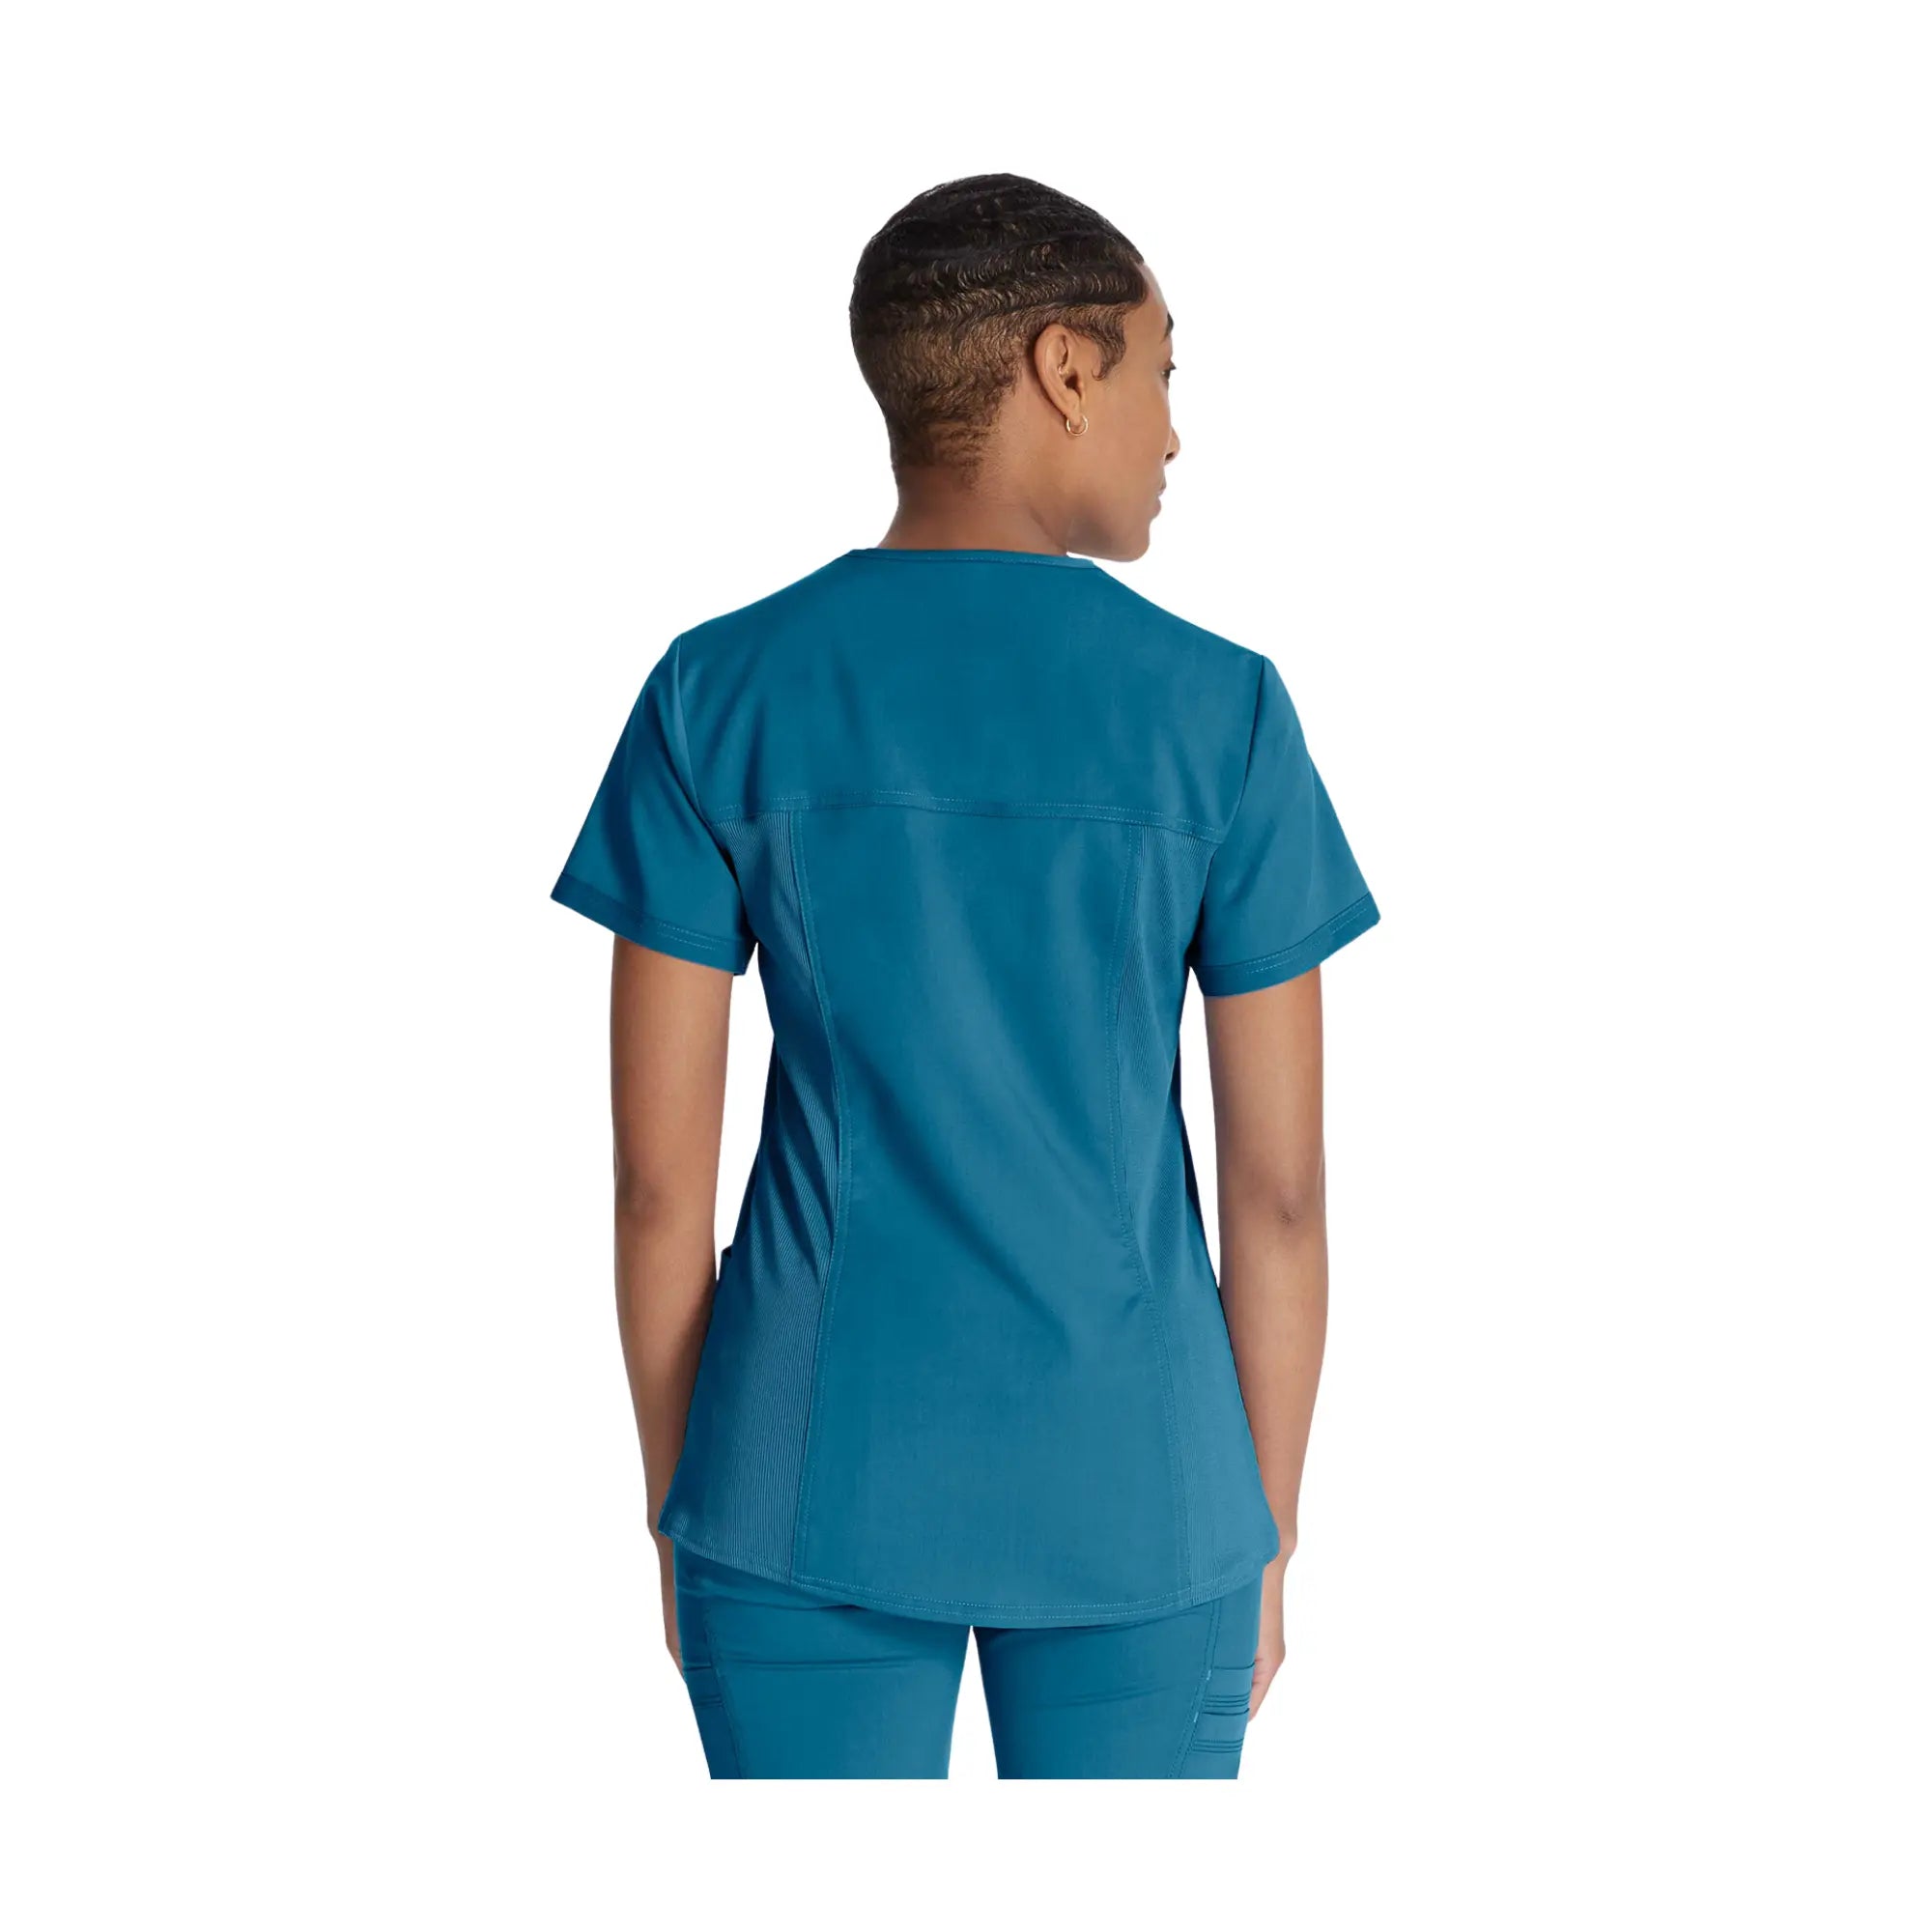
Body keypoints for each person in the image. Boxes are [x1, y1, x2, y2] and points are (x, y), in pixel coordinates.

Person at [549, 173, 1381, 1778]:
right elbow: (1280, 1200)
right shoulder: (1222, 713)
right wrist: (1268, 1532)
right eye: (1161, 373)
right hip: (1152, 1495)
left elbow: (658, 1193)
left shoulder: (717, 691)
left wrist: (679, 1505)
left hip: (796, 1485)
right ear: (1063, 368)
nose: (1174, 433)